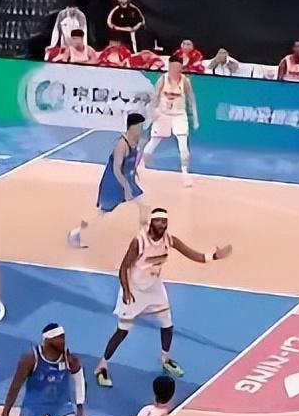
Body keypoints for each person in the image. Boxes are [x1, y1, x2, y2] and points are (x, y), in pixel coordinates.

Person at [94, 208, 232, 387]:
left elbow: (192, 254)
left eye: (164, 221)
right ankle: (102, 365)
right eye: (158, 221)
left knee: (167, 324)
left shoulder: (169, 240)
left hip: (154, 287)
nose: (162, 224)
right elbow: (123, 268)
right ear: (152, 222)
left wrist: (213, 256)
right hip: (134, 289)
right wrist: (126, 291)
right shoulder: (139, 241)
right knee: (123, 331)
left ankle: (165, 359)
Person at [69, 113, 146, 248]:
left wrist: (134, 174)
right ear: (132, 127)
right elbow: (116, 169)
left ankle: (143, 237)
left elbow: (130, 162)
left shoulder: (136, 140)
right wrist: (126, 187)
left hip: (127, 180)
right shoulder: (121, 145)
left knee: (144, 205)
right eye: (140, 127)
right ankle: (75, 233)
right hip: (114, 183)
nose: (142, 129)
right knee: (102, 212)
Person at [142, 61, 199, 188]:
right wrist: (152, 113)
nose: (175, 70)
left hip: (179, 115)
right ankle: (141, 166)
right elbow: (154, 97)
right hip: (163, 115)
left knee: (183, 146)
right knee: (153, 143)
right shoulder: (163, 79)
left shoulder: (185, 81)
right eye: (173, 67)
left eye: (178, 67)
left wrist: (195, 118)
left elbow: (191, 99)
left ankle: (185, 173)